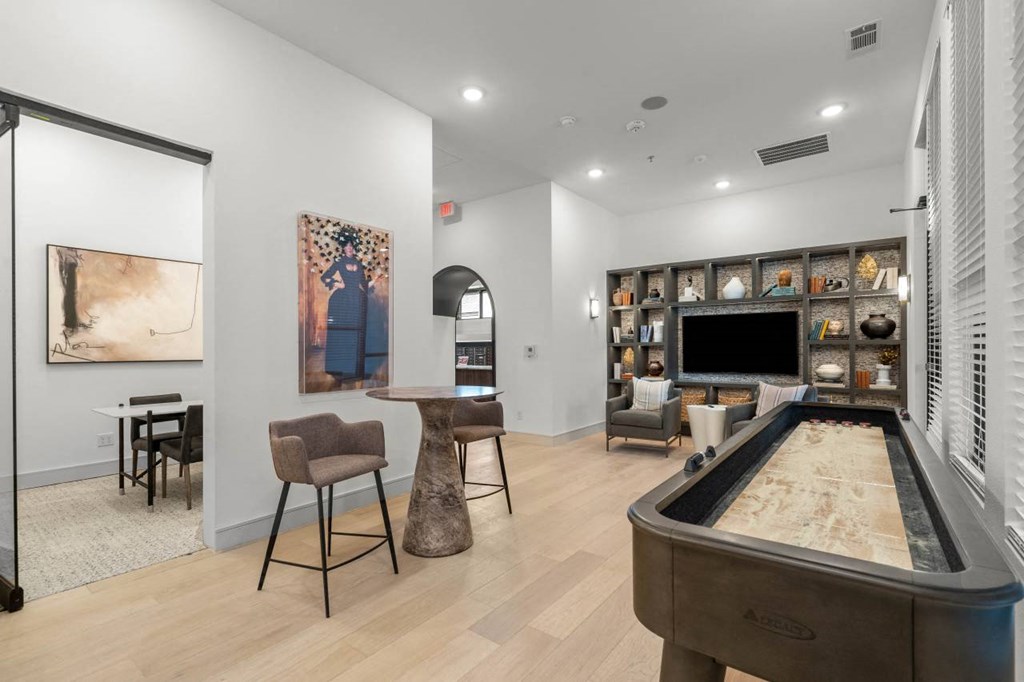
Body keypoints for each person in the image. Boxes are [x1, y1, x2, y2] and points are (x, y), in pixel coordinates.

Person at [320, 237, 367, 379]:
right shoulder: (339, 263)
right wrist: (336, 283)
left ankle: (354, 368)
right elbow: (324, 277)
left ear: (354, 248)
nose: (349, 248)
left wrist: (373, 283)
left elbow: (363, 283)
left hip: (357, 299)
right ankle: (339, 367)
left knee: (356, 332)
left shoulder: (359, 264)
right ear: (343, 248)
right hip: (342, 301)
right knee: (342, 332)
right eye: (347, 246)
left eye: (351, 246)